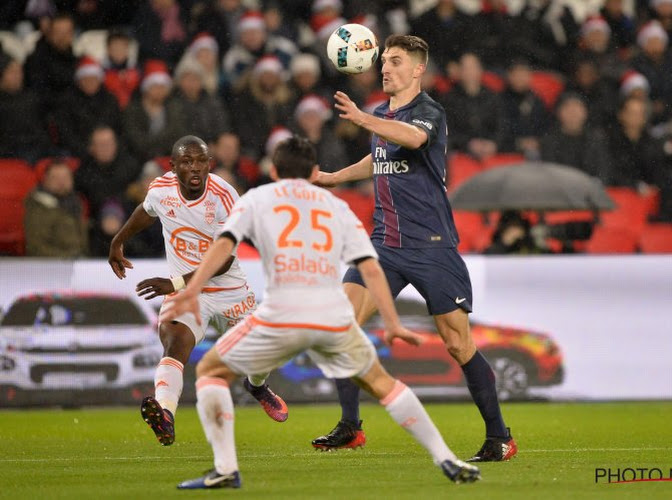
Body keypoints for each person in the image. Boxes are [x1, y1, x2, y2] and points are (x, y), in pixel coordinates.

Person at [161, 136, 481, 488]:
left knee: (209, 371)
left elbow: (225, 245)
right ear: (314, 171)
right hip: (331, 316)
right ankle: (446, 458)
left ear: (272, 171)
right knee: (382, 384)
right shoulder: (336, 207)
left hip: (282, 314)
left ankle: (225, 469)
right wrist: (391, 321)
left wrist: (190, 290)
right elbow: (371, 267)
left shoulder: (257, 199)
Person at [313, 35, 517, 462]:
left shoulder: (428, 114)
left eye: (396, 61)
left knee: (458, 345)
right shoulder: (381, 117)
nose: (385, 68)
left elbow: (411, 139)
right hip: (384, 245)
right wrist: (335, 177)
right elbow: (379, 156)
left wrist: (364, 120)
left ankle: (500, 436)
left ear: (418, 70)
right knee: (340, 328)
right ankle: (351, 427)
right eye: (384, 61)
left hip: (431, 246)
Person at [108, 135, 287, 447]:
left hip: (227, 286)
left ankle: (257, 386)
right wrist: (118, 240)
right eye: (187, 161)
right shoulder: (161, 189)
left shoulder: (225, 196)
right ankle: (164, 413)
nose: (194, 167)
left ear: (210, 164)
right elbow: (147, 210)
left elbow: (225, 257)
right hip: (187, 291)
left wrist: (175, 283)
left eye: (201, 161)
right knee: (175, 343)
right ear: (173, 166)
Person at [24, 160, 87, 258]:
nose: (61, 182)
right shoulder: (38, 206)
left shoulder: (75, 202)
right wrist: (68, 258)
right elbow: (37, 248)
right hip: (50, 266)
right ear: (45, 180)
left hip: (78, 263)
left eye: (65, 178)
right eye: (55, 178)